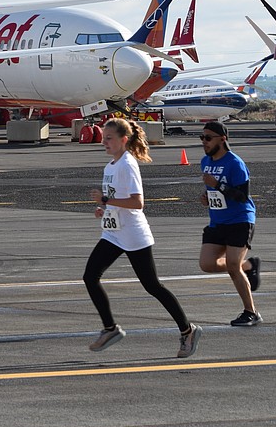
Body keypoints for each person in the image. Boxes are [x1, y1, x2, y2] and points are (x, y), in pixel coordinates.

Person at [85, 118, 201, 359]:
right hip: (114, 233)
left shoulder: (127, 164)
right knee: (90, 276)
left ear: (123, 140)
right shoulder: (110, 166)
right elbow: (116, 200)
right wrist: (104, 209)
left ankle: (187, 330)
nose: (104, 142)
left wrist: (106, 202)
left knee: (152, 286)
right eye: (104, 138)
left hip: (134, 234)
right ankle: (110, 329)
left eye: (110, 138)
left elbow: (138, 203)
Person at [197, 121, 262, 326]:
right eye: (202, 138)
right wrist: (208, 195)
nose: (204, 142)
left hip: (240, 220)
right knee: (206, 264)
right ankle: (248, 265)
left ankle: (251, 312)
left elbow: (242, 196)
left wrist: (217, 185)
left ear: (222, 139)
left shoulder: (235, 164)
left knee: (232, 267)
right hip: (218, 221)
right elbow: (216, 192)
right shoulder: (205, 162)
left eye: (208, 138)